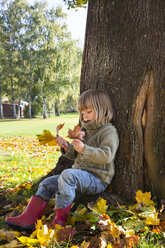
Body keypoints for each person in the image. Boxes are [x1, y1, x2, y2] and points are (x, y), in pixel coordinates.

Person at [5, 89, 119, 230]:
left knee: (67, 175)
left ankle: (60, 221)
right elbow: (77, 155)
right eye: (82, 113)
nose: (84, 117)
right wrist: (67, 148)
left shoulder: (108, 131)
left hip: (97, 179)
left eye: (88, 112)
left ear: (102, 109)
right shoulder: (85, 130)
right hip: (78, 176)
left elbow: (107, 156)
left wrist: (84, 149)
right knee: (47, 183)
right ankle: (28, 217)